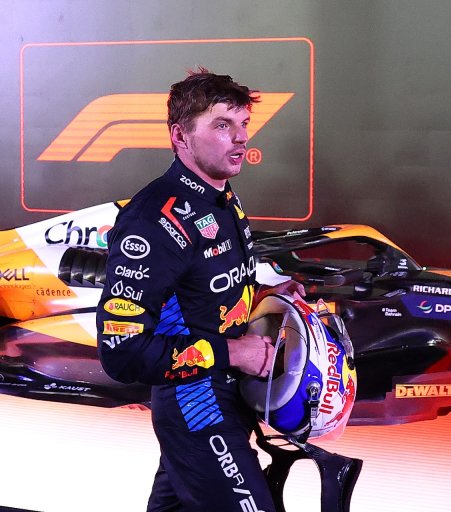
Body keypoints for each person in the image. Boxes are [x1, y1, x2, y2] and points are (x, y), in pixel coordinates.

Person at [96, 68, 303, 512]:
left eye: (244, 124)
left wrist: (271, 291)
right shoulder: (152, 221)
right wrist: (236, 353)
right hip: (197, 405)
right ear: (180, 136)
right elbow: (122, 352)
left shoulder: (222, 198)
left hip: (230, 396)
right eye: (222, 125)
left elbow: (212, 291)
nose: (240, 138)